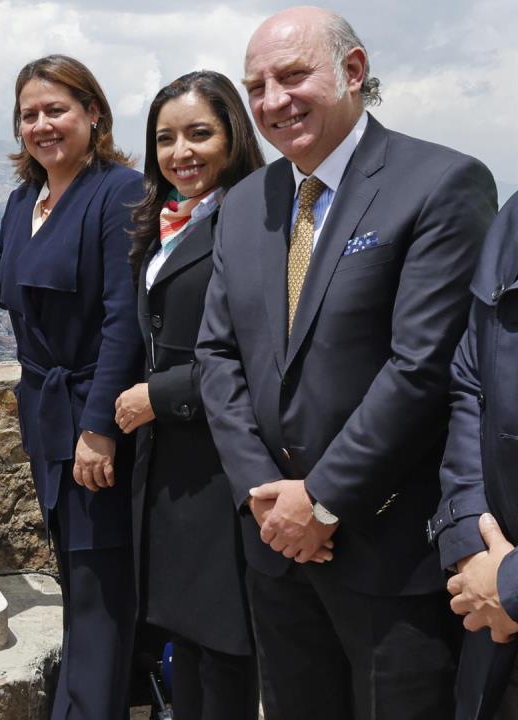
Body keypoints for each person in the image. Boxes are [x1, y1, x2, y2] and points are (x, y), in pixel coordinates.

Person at [195, 7, 496, 719]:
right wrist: (263, 493)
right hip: (275, 548)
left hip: (388, 551)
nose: (272, 102)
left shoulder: (440, 184)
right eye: (256, 85)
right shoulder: (245, 204)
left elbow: (421, 366)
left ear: (352, 71)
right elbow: (216, 353)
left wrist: (322, 498)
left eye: (293, 76)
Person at [0, 53, 144, 720]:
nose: (43, 124)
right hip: (47, 416)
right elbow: (9, 291)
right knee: (77, 584)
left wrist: (98, 427)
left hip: (90, 418)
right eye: (30, 114)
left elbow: (123, 318)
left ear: (93, 113)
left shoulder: (118, 191)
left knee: (100, 590)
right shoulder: (27, 201)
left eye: (57, 109)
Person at [113, 70, 264, 720]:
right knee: (190, 647)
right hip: (173, 468)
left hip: (219, 462)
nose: (182, 152)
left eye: (199, 133)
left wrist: (159, 393)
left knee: (225, 653)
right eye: (166, 138)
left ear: (233, 135)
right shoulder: (171, 220)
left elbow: (263, 353)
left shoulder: (254, 218)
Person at [432, 193, 518, 720]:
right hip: (490, 609)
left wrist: (509, 586)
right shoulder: (512, 221)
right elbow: (470, 385)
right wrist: (472, 543)